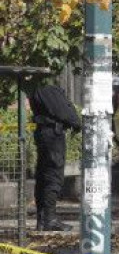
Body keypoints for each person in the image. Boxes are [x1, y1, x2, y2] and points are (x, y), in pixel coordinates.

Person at [28, 80, 81, 232]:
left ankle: (43, 220)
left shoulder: (35, 86)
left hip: (45, 133)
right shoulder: (47, 87)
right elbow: (63, 111)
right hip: (53, 134)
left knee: (44, 176)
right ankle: (49, 219)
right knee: (53, 175)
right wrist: (76, 122)